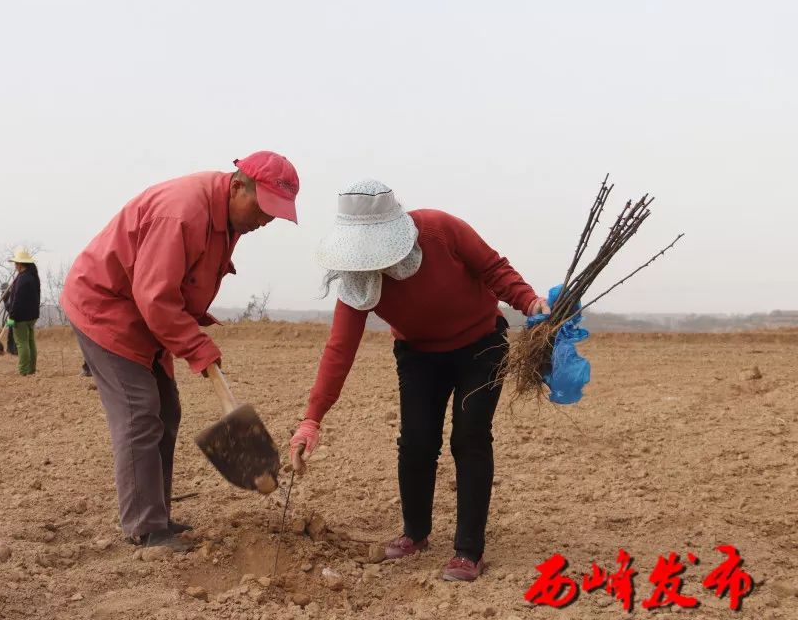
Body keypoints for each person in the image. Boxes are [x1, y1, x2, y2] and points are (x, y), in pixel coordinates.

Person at [289, 180, 549, 582]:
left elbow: (494, 269)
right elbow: (339, 349)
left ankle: (468, 551)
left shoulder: (439, 230)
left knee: (470, 437)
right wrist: (312, 418)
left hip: (480, 345)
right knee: (416, 442)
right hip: (418, 355)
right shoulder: (358, 278)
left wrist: (530, 301)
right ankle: (416, 533)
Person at [61, 151, 300, 551]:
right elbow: (155, 298)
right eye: (263, 208)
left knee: (166, 409)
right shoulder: (183, 214)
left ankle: (158, 516)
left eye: (275, 214)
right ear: (238, 186)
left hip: (141, 315)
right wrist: (196, 347)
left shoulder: (227, 216)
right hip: (107, 309)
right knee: (139, 411)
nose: (265, 220)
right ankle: (145, 527)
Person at [5, 249, 41, 376]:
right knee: (30, 342)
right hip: (32, 316)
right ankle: (31, 369)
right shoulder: (32, 277)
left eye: (16, 263)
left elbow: (17, 301)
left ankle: (23, 370)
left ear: (20, 264)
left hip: (21, 317)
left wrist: (11, 316)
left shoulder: (21, 279)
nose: (15, 266)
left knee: (22, 343)